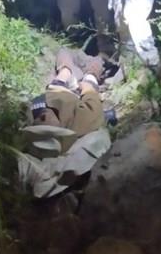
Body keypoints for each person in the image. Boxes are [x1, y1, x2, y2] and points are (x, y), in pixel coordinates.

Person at [17, 49, 111, 198]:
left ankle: (80, 65)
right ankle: (100, 57)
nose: (42, 119)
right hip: (75, 92)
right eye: (48, 127)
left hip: (58, 86)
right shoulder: (83, 121)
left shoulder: (34, 116)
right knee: (94, 65)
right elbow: (91, 95)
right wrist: (88, 81)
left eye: (40, 124)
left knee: (64, 54)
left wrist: (64, 74)